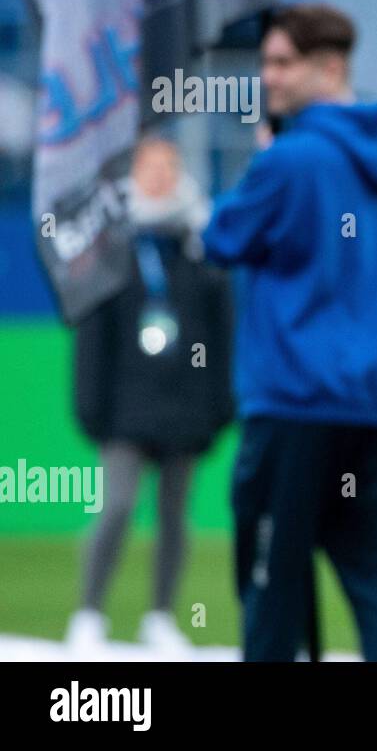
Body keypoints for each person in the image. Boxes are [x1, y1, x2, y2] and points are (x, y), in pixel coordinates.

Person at [203, 4, 377, 661]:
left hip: (292, 412)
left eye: (283, 63)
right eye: (265, 62)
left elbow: (219, 238)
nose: (268, 77)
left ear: (331, 66)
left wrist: (268, 160)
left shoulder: (288, 161)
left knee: (270, 601)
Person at [66, 135, 234, 657]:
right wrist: (91, 408)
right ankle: (89, 613)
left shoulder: (200, 245)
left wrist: (219, 407)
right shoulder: (113, 246)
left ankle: (160, 616)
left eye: (169, 166)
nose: (160, 175)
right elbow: (93, 337)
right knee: (117, 504)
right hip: (125, 407)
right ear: (133, 174)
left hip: (185, 407)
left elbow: (221, 334)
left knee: (174, 516)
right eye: (149, 166)